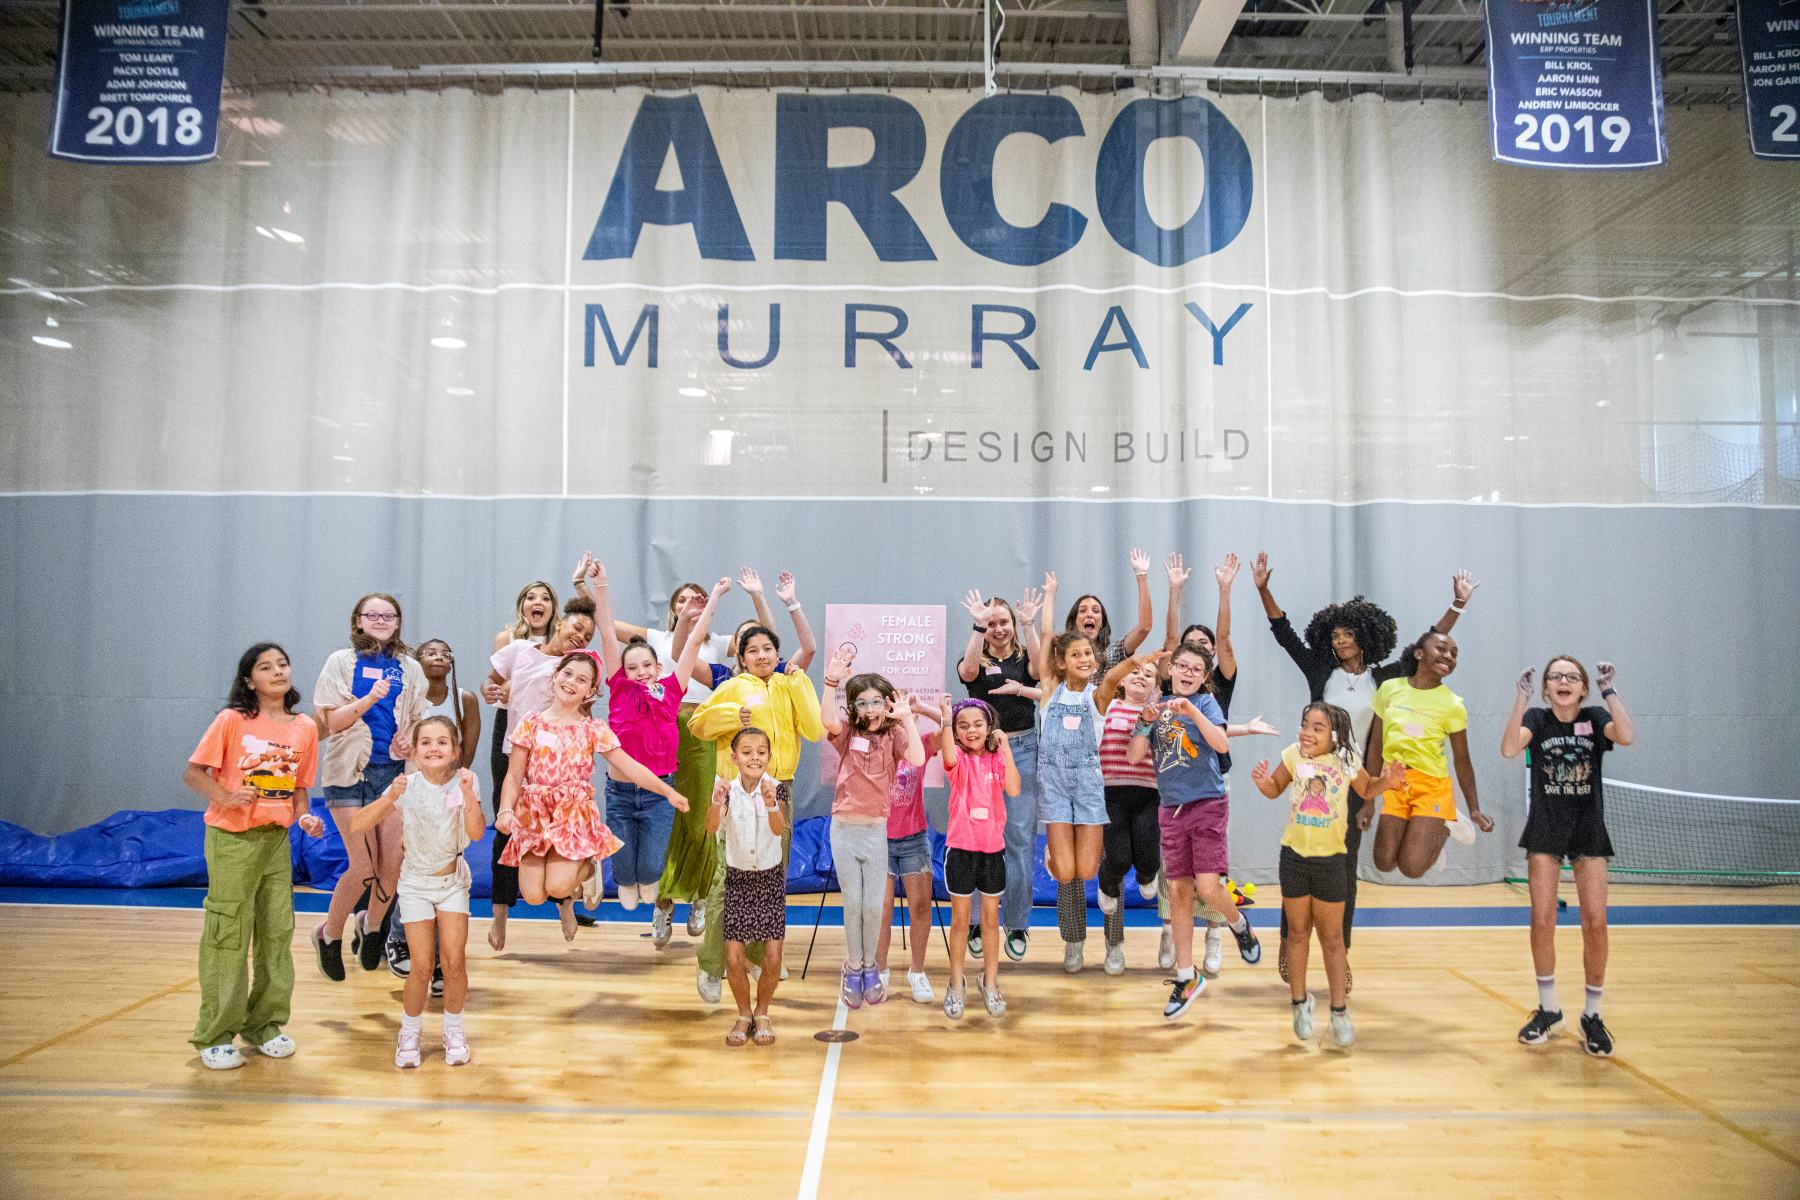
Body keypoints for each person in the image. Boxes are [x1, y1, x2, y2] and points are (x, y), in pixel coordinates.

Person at [1252, 552, 1478, 982]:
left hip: (1356, 781)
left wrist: (1457, 606)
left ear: (1365, 637)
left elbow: (1424, 646)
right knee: (1299, 860)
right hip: (1314, 778)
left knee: (1344, 871)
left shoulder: (1385, 679)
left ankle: (1342, 954)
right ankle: (1288, 943)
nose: (1339, 641)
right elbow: (1283, 633)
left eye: (1347, 634)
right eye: (1334, 635)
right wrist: (1263, 589)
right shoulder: (1320, 670)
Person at [185, 643, 326, 1069]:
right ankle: (215, 1034)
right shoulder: (232, 721)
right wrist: (226, 796)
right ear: (250, 680)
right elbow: (193, 773)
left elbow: (299, 786)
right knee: (228, 932)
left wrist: (304, 818)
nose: (278, 671)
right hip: (232, 840)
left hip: (275, 842)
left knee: (276, 932)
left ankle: (265, 1024)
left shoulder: (304, 727)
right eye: (266, 667)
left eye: (283, 663)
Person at [1129, 644, 1275, 1019]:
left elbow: (1222, 743)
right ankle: (1185, 975)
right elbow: (1134, 756)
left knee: (1207, 888)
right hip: (1169, 807)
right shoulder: (1157, 706)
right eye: (1182, 666)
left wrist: (1191, 709)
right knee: (1178, 890)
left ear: (1204, 676)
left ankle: (1239, 924)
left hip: (1208, 803)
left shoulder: (1206, 704)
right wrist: (1145, 721)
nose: (1189, 673)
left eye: (1197, 668)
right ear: (1171, 668)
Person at [495, 651, 686, 934]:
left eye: (582, 680)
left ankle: (587, 867)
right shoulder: (531, 722)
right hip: (535, 814)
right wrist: (506, 810)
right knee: (534, 896)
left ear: (590, 691)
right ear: (555, 676)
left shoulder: (593, 729)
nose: (572, 682)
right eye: (568, 674)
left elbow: (630, 766)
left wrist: (666, 792)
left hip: (571, 817)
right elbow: (513, 775)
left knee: (558, 885)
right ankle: (567, 900)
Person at [1501, 657, 1635, 1057]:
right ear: (1546, 687)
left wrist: (1610, 691)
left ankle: (1593, 1014)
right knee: (1542, 919)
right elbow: (1509, 748)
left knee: (1595, 922)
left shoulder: (1595, 717)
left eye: (1572, 677)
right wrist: (1520, 699)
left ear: (1582, 688)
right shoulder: (1539, 719)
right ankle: (1549, 1008)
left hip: (1587, 828)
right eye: (1556, 676)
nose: (1564, 681)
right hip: (1545, 828)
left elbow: (1625, 736)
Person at [1250, 704, 1404, 1048]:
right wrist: (1263, 783)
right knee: (1298, 935)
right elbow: (1275, 787)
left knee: (1332, 939)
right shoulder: (1292, 754)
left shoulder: (1346, 760)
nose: (1307, 731)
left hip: (1331, 861)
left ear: (1334, 735)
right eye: (1305, 724)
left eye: (1317, 728)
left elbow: (1366, 789)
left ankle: (1338, 1011)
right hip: (1293, 858)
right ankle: (1299, 1004)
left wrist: (1389, 782)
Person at [587, 559, 730, 922]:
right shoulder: (619, 687)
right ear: (623, 671)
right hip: (620, 793)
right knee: (624, 876)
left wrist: (713, 598)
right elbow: (605, 632)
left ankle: (647, 882)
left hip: (659, 793)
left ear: (659, 668)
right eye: (632, 667)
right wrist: (601, 585)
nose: (639, 672)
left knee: (650, 871)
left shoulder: (672, 689)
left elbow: (695, 641)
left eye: (646, 666)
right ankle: (615, 878)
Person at [688, 627, 823, 1003]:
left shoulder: (788, 684)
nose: (761, 655)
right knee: (725, 881)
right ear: (742, 657)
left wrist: (799, 686)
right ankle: (712, 964)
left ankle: (754, 956)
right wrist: (733, 716)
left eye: (768, 649)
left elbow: (814, 729)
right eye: (753, 650)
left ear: (777, 654)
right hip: (735, 790)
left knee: (771, 876)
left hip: (779, 788)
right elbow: (697, 723)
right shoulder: (732, 687)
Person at [349, 716, 485, 1068]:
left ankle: (454, 1030)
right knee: (421, 967)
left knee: (454, 962)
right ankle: (409, 1032)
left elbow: (477, 833)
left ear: (455, 750)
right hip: (414, 886)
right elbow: (358, 824)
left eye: (442, 742)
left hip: (452, 883)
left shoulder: (466, 782)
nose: (434, 748)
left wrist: (469, 796)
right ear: (415, 750)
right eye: (426, 742)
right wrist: (389, 798)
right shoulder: (405, 786)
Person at [311, 593, 427, 981]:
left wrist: (409, 737)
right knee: (362, 868)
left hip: (392, 774)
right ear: (358, 621)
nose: (380, 620)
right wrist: (367, 700)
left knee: (390, 867)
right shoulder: (340, 663)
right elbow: (328, 723)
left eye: (388, 614)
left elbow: (417, 717)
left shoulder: (409, 668)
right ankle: (329, 934)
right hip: (348, 774)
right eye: (371, 615)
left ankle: (372, 927)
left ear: (398, 621)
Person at [481, 592, 596, 947]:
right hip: (513, 744)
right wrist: (492, 689)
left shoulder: (575, 671)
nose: (580, 637)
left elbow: (584, 717)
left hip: (552, 753)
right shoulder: (518, 650)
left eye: (588, 636)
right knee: (506, 832)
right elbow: (492, 681)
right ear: (559, 622)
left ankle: (566, 901)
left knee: (556, 830)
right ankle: (499, 918)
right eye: (577, 628)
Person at [820, 661, 926, 1008]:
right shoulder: (849, 733)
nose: (870, 709)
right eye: (862, 703)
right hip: (844, 829)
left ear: (887, 702)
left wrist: (907, 717)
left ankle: (870, 968)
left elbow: (918, 755)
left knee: (872, 906)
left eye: (876, 701)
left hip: (876, 829)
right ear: (854, 707)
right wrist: (830, 681)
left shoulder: (895, 735)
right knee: (853, 903)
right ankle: (853, 967)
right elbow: (826, 720)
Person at [383, 637, 481, 985]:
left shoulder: (464, 698)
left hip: (448, 789)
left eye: (444, 652)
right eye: (430, 652)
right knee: (409, 862)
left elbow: (466, 746)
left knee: (445, 868)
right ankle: (399, 936)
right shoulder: (408, 696)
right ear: (417, 660)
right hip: (412, 788)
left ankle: (441, 957)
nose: (438, 656)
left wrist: (450, 785)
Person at [956, 587, 1042, 963]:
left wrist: (1029, 624)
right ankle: (976, 920)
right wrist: (977, 626)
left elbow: (1041, 673)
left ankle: (1018, 922)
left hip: (1021, 750)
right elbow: (968, 672)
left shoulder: (1025, 656)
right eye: (991, 624)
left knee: (1020, 839)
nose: (998, 628)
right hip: (980, 752)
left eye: (1003, 622)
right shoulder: (976, 652)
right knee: (978, 838)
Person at [1369, 631, 1493, 878]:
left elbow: (1462, 759)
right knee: (1383, 863)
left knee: (1412, 868)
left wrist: (1475, 809)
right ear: (1419, 654)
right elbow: (1375, 746)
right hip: (1395, 781)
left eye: (1454, 654)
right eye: (1441, 649)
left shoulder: (1452, 704)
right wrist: (1367, 801)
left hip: (1431, 785)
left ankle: (1446, 825)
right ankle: (1431, 829)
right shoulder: (1389, 689)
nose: (1448, 656)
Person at [1031, 619, 1110, 974]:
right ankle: (1055, 849)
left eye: (1087, 653)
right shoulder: (1050, 690)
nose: (1083, 657)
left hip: (1089, 790)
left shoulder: (1097, 696)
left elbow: (1113, 676)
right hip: (1056, 789)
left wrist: (1142, 661)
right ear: (1061, 662)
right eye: (1074, 653)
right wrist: (1045, 602)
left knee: (1088, 870)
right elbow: (1047, 640)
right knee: (1065, 874)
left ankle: (1072, 844)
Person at [937, 696, 1020, 1020]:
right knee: (960, 921)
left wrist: (1007, 751)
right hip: (960, 851)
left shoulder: (997, 759)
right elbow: (946, 754)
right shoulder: (956, 757)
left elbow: (1013, 789)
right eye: (963, 726)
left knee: (989, 921)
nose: (971, 730)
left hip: (992, 852)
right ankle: (955, 983)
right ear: (956, 732)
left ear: (989, 728)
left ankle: (991, 982)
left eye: (978, 725)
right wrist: (946, 719)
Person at [707, 728, 789, 1047]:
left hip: (768, 880)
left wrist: (770, 804)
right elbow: (712, 826)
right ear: (734, 757)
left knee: (772, 955)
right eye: (746, 751)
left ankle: (763, 1011)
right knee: (733, 958)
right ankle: (743, 1013)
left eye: (760, 752)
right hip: (738, 879)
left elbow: (779, 828)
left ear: (769, 757)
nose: (754, 757)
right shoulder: (724, 790)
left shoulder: (777, 789)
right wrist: (715, 803)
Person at [1094, 651, 1168, 975]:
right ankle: (1107, 883)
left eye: (1149, 674)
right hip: (1111, 792)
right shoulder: (1109, 706)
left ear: (1156, 685)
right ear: (1123, 679)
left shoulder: (1160, 714)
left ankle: (1145, 873)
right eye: (1136, 672)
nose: (1141, 676)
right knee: (1119, 858)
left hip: (1148, 793)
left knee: (1150, 861)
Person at [874, 696, 942, 1004]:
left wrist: (921, 710)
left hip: (914, 838)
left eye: (904, 712)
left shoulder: (923, 743)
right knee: (882, 910)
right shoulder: (877, 745)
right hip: (879, 839)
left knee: (920, 907)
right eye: (895, 712)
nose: (899, 718)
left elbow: (953, 730)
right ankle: (880, 971)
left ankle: (917, 971)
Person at [488, 580, 559, 806]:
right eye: (531, 597)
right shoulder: (507, 639)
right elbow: (500, 685)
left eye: (545, 598)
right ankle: (505, 839)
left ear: (553, 608)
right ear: (522, 606)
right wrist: (489, 689)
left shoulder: (560, 643)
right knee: (505, 789)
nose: (538, 601)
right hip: (509, 721)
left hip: (546, 725)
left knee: (543, 790)